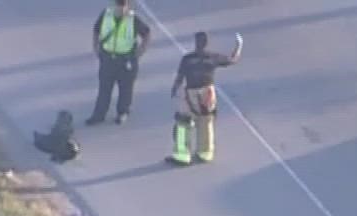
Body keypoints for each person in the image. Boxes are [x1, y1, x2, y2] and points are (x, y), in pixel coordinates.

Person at [168, 30, 242, 166]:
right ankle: (205, 152)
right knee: (206, 121)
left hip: (191, 93)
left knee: (183, 122)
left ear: (196, 43)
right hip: (207, 93)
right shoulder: (212, 57)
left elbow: (180, 76)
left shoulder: (188, 59)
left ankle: (182, 155)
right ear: (207, 43)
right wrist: (239, 46)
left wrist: (174, 89)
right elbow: (233, 60)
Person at [87, 0, 150, 126]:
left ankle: (122, 113)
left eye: (123, 5)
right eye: (119, 5)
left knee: (125, 89)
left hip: (126, 59)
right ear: (114, 5)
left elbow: (146, 33)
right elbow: (96, 29)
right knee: (104, 88)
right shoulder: (106, 15)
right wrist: (95, 46)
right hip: (108, 58)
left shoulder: (133, 19)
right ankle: (99, 115)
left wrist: (141, 50)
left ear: (127, 6)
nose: (121, 8)